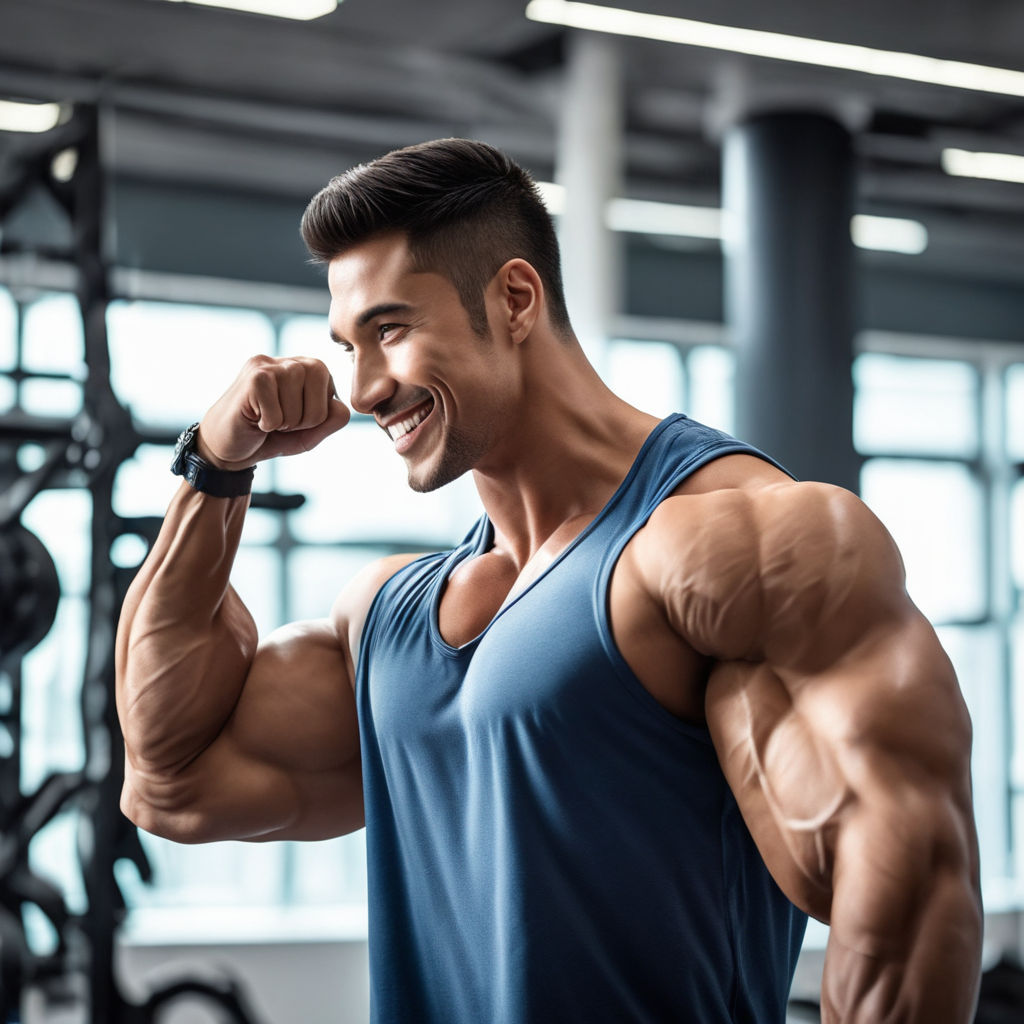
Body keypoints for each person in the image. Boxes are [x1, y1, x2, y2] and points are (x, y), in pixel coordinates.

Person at [115, 138, 982, 1023]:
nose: (365, 387)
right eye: (347, 345)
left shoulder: (730, 543)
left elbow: (910, 897)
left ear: (515, 300)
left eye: (391, 329)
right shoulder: (394, 617)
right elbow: (169, 781)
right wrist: (216, 467)